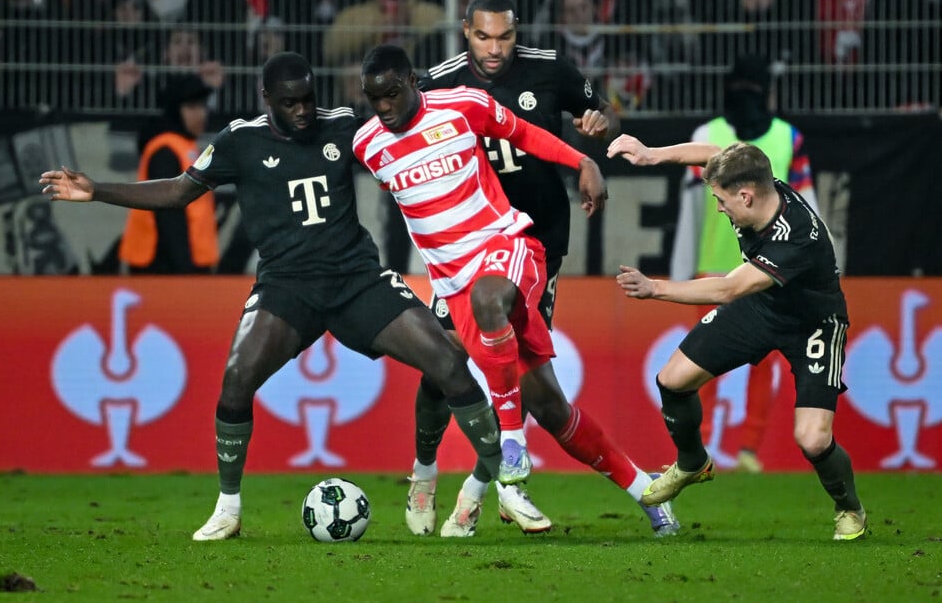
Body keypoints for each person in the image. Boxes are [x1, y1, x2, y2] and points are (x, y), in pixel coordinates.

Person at [39, 51, 507, 542]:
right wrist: (97, 192)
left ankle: (484, 482)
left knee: (449, 362)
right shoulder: (239, 142)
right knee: (237, 379)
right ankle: (228, 508)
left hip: (356, 280)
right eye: (291, 103)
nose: (303, 111)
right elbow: (178, 193)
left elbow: (409, 119)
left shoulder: (344, 126)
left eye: (308, 100)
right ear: (268, 100)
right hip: (286, 288)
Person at [354, 43, 678, 540]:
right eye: (374, 98)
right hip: (451, 282)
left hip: (508, 245)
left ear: (414, 81)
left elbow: (524, 133)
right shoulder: (367, 144)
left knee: (489, 300)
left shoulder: (462, 103)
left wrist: (581, 163)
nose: (384, 107)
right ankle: (646, 490)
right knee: (549, 406)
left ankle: (509, 448)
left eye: (392, 94)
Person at [607, 135, 867, 541]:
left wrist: (654, 289)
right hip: (763, 306)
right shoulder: (751, 180)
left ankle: (850, 509)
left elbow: (727, 289)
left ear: (745, 197)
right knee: (672, 380)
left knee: (812, 439)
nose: (718, 207)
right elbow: (712, 153)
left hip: (814, 323)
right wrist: (652, 154)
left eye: (722, 202)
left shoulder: (797, 237)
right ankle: (692, 462)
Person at [671, 53, 820, 473]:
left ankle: (707, 451)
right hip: (764, 272)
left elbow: (691, 213)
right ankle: (742, 450)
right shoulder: (788, 138)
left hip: (724, 267)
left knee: (702, 361)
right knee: (754, 362)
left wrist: (681, 269)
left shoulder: (709, 133)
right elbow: (809, 208)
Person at [119, 73, 219, 274]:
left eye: (202, 106)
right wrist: (184, 268)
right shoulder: (165, 150)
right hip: (161, 264)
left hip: (179, 261)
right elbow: (168, 213)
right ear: (175, 110)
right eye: (192, 107)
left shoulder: (184, 146)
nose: (201, 114)